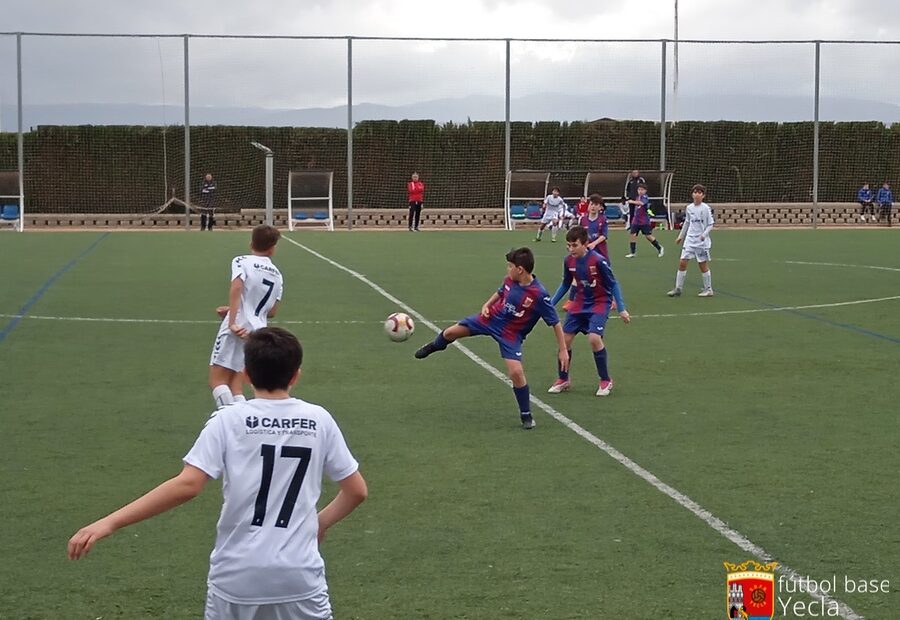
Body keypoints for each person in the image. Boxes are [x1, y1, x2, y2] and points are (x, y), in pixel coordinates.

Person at [68, 327, 368, 620]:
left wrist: (110, 522)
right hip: (299, 577)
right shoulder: (319, 419)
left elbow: (187, 484)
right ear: (296, 375)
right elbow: (356, 491)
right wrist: (320, 523)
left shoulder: (228, 420)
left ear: (246, 374)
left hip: (236, 577)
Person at [414, 247, 569, 430]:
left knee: (516, 373)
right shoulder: (511, 280)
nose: (507, 269)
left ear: (520, 269)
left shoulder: (539, 295)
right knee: (450, 333)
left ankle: (526, 415)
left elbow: (555, 322)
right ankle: (434, 346)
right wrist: (487, 304)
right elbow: (500, 292)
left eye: (510, 266)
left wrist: (563, 349)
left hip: (511, 334)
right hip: (490, 319)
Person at [547, 226, 630, 397]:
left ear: (585, 244)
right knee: (565, 340)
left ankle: (606, 380)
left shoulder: (598, 261)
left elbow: (613, 284)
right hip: (579, 303)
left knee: (594, 338)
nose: (571, 249)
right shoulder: (568, 261)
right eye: (568, 245)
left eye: (574, 245)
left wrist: (621, 308)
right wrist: (551, 303)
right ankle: (563, 379)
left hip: (599, 302)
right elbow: (565, 284)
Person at [210, 224, 284, 409]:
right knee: (236, 386)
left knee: (218, 381)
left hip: (238, 326)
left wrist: (232, 320)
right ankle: (242, 425)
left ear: (251, 242)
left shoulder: (241, 261)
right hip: (257, 330)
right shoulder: (277, 275)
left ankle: (229, 425)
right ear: (273, 248)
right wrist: (236, 309)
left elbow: (237, 287)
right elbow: (272, 311)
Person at [668, 184, 715, 297]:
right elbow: (687, 223)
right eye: (695, 192)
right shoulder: (689, 208)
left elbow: (710, 224)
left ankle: (708, 289)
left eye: (699, 192)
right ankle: (678, 288)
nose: (697, 194)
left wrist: (704, 234)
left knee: (702, 264)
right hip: (690, 239)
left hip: (701, 241)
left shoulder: (705, 208)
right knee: (682, 262)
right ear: (692, 194)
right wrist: (681, 236)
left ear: (703, 195)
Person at [625, 183, 664, 258]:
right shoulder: (637, 197)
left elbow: (641, 203)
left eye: (642, 190)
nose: (640, 191)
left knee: (648, 236)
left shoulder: (645, 197)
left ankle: (659, 248)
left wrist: (632, 202)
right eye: (639, 189)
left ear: (645, 191)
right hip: (636, 220)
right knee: (632, 235)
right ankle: (633, 252)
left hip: (644, 221)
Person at [581, 193, 610, 261]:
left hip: (600, 250)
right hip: (587, 250)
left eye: (596, 205)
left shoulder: (603, 219)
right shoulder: (583, 220)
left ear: (600, 207)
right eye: (591, 204)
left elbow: (604, 235)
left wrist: (593, 244)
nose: (593, 207)